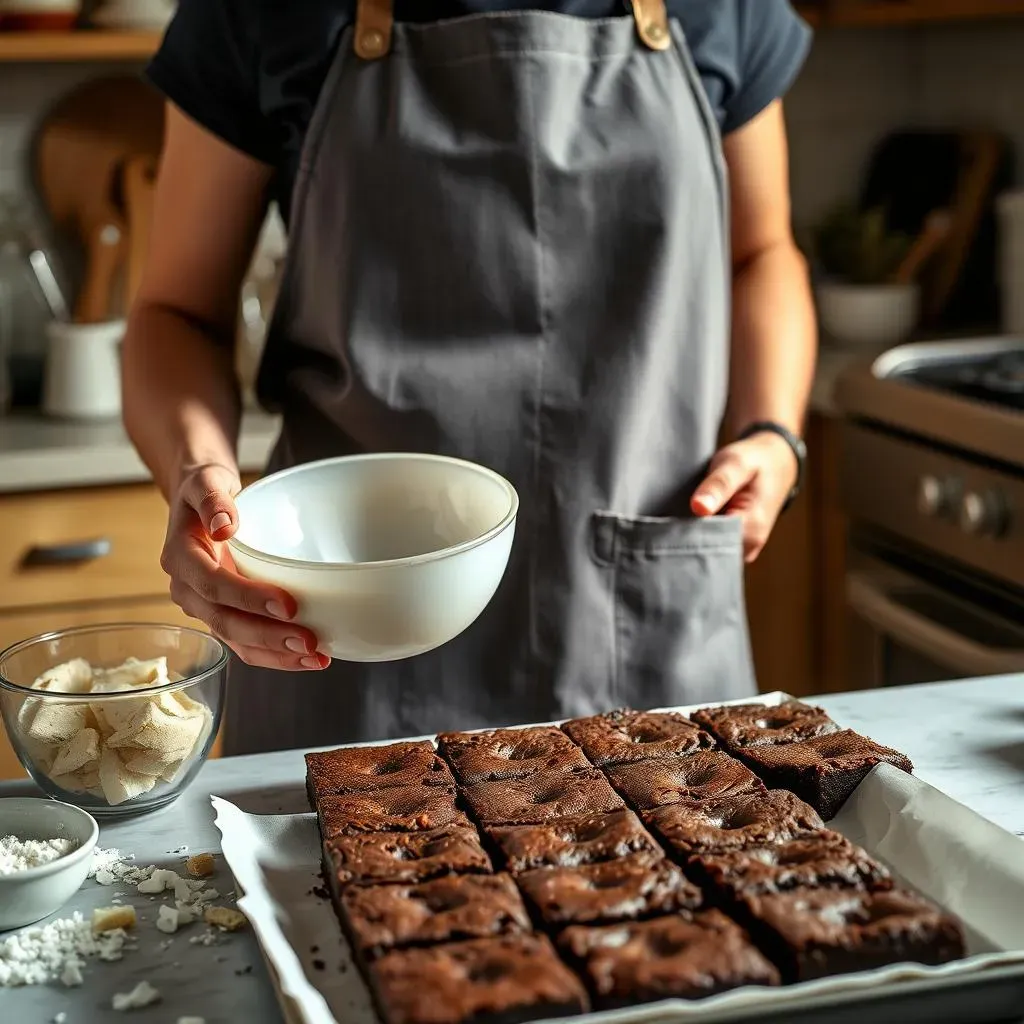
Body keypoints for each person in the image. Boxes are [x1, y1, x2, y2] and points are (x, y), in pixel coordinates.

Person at [123, 0, 817, 755]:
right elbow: (174, 313)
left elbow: (764, 253)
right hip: (346, 634)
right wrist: (197, 471)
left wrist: (773, 432)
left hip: (642, 612)